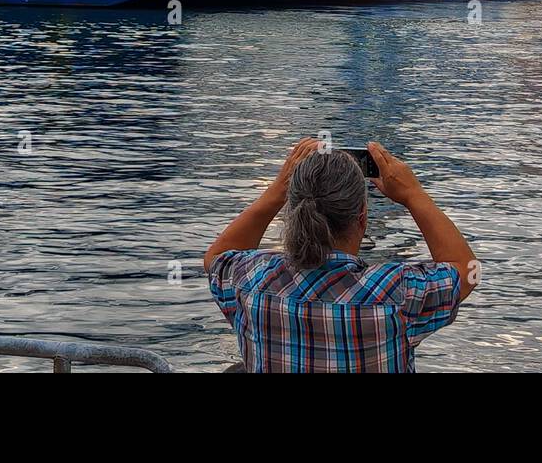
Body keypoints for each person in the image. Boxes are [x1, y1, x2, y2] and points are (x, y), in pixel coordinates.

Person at [204, 138, 477, 373]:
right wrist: (413, 194)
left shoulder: (250, 281)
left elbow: (217, 258)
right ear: (362, 218)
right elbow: (467, 270)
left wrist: (276, 192)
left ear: (293, 209)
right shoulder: (398, 293)